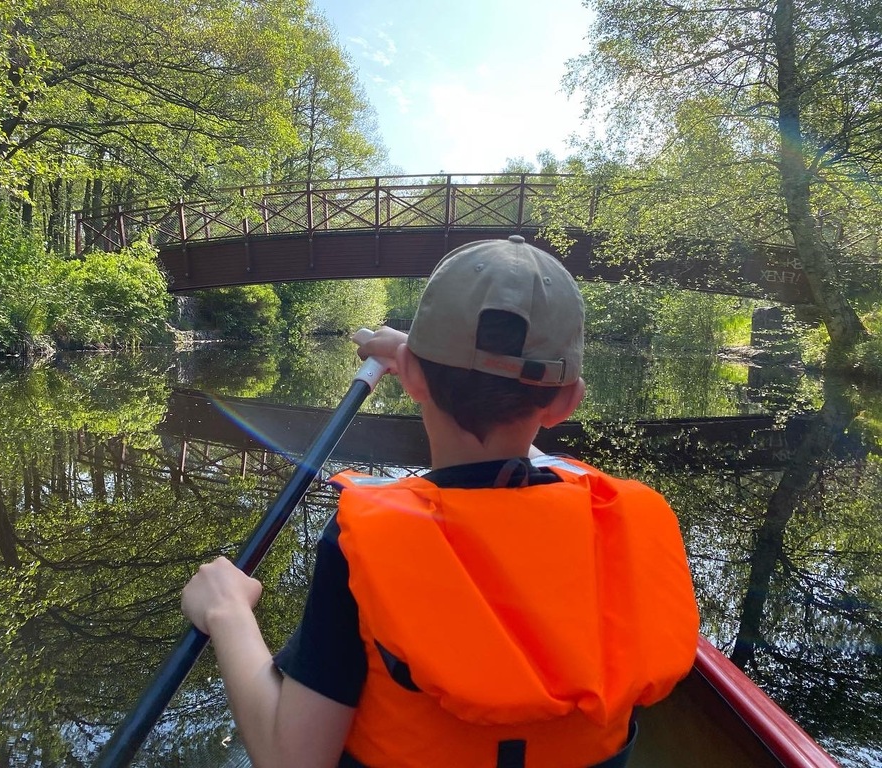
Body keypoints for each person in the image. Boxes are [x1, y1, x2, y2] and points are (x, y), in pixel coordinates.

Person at [181, 235, 700, 768]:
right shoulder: (622, 518)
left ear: (410, 377)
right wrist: (412, 353)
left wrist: (227, 612)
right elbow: (529, 453)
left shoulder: (361, 545)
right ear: (567, 402)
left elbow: (292, 760)